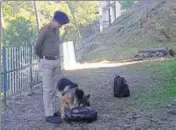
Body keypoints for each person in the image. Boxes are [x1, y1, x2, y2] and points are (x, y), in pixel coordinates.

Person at [34, 11, 69, 124]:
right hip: (46, 62)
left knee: (53, 89)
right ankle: (48, 114)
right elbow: (37, 47)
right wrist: (43, 58)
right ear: (53, 20)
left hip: (55, 62)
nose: (61, 26)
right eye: (60, 23)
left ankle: (52, 111)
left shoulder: (56, 31)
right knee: (47, 90)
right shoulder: (45, 31)